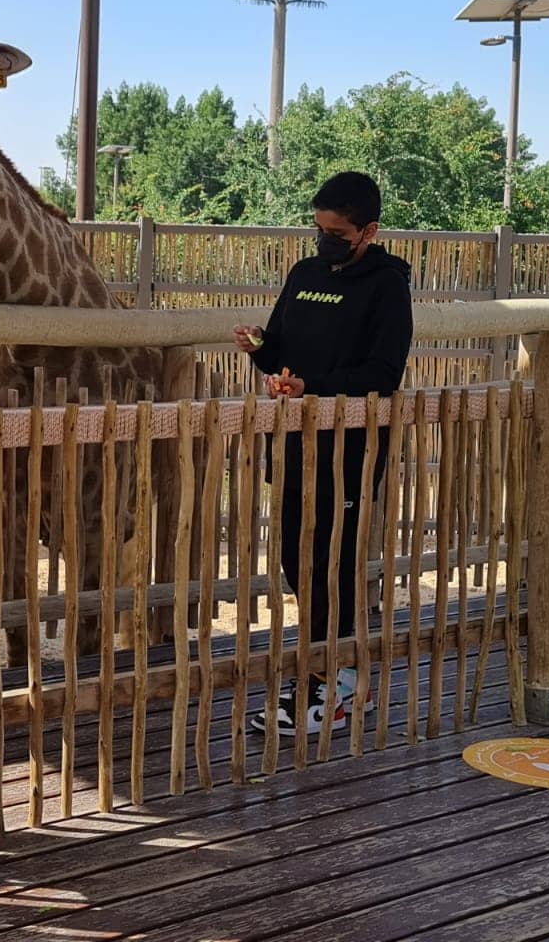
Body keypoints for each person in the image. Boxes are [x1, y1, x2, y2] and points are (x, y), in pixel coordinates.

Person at [233, 172, 413, 738]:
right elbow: (281, 349)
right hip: (293, 443)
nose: (324, 240)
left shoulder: (387, 285)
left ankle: (336, 686)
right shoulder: (305, 274)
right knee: (296, 559)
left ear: (368, 231)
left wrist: (315, 386)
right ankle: (324, 678)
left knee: (331, 567)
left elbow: (383, 374)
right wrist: (263, 350)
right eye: (318, 229)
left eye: (336, 232)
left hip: (350, 451)